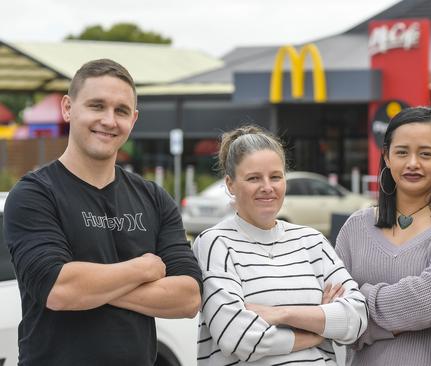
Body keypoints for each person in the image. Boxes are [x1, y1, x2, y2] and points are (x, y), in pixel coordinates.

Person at [3, 59, 203, 366]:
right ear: (68, 108)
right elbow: (60, 290)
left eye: (121, 110)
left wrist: (91, 289)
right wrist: (143, 269)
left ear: (133, 119)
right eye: (97, 106)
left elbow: (188, 297)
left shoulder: (154, 198)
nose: (109, 120)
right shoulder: (35, 194)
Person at [192, 125, 368, 365]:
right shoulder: (215, 244)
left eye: (276, 177)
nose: (268, 187)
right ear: (230, 184)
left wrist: (281, 314)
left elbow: (356, 318)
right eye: (254, 178)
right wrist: (318, 331)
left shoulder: (312, 242)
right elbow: (239, 337)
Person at [335, 106, 431, 365]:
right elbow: (330, 313)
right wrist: (344, 319)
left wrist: (356, 307)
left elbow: (425, 302)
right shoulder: (356, 227)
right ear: (386, 156)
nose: (412, 163)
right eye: (402, 152)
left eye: (426, 154)